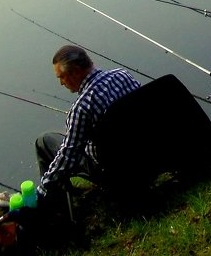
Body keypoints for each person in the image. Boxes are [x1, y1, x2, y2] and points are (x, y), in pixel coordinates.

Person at [30, 45, 141, 205]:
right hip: (144, 151)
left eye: (61, 77)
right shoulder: (122, 75)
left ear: (75, 71)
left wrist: (40, 190)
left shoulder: (82, 107)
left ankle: (49, 201)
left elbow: (68, 157)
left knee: (44, 141)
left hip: (115, 171)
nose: (61, 83)